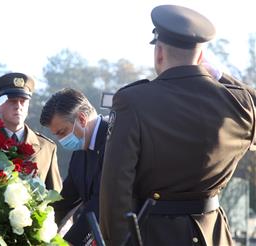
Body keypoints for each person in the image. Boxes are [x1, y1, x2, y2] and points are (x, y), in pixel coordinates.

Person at [100, 4, 255, 246]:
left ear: (159, 52)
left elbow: (115, 187)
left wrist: (118, 242)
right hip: (214, 235)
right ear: (202, 57)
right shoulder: (239, 104)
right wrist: (221, 76)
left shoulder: (133, 101)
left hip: (154, 235)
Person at [40, 88, 108, 245]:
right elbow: (67, 198)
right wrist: (39, 228)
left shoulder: (114, 140)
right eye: (56, 135)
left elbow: (100, 202)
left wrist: (68, 242)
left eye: (62, 132)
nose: (61, 140)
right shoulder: (81, 148)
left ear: (82, 119)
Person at [0, 72, 62, 192]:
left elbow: (54, 196)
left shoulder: (47, 148)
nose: (18, 106)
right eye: (12, 101)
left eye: (23, 101)